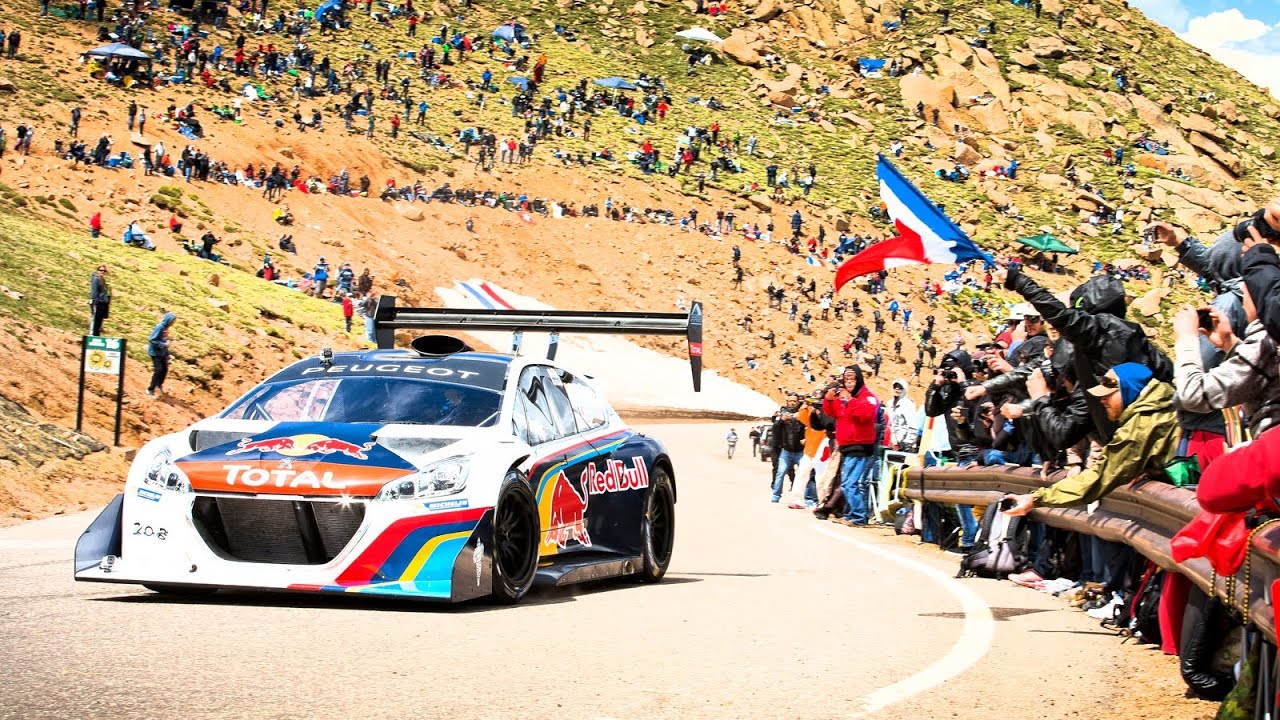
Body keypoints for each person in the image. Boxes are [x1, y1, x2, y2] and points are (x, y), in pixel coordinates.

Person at [1002, 364, 1178, 515]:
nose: (1102, 400)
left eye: (1108, 394)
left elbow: (1099, 477)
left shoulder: (1142, 424)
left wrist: (1035, 499)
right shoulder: (1160, 410)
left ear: (1129, 389)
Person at [823, 366, 880, 526]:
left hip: (860, 445)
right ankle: (852, 514)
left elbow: (865, 415)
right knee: (848, 482)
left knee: (850, 483)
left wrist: (851, 401)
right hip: (847, 445)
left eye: (852, 379)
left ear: (859, 380)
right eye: (846, 380)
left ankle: (859, 516)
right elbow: (832, 413)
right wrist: (829, 399)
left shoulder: (868, 397)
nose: (849, 383)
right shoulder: (844, 396)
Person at [770, 396, 806, 503]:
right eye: (790, 401)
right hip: (786, 451)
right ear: (787, 402)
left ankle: (806, 497)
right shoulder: (782, 413)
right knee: (780, 472)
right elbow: (775, 428)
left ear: (798, 402)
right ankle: (776, 495)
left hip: (800, 451)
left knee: (804, 473)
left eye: (794, 401)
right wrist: (781, 420)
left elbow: (809, 426)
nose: (792, 403)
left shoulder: (802, 412)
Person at [146, 312, 176, 397]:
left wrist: (167, 353)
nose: (172, 323)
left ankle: (158, 385)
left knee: (165, 369)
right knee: (158, 370)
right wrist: (164, 345)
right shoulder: (159, 327)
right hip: (155, 353)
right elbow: (152, 339)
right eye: (172, 321)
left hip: (162, 353)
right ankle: (150, 389)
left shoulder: (165, 328)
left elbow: (163, 340)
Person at [89, 265, 110, 336]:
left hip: (102, 303)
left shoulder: (102, 280)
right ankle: (92, 338)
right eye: (101, 270)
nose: (102, 272)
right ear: (98, 270)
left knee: (99, 323)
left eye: (104, 271)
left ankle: (96, 337)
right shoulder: (96, 279)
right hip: (97, 303)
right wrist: (95, 302)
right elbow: (94, 292)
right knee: (95, 321)